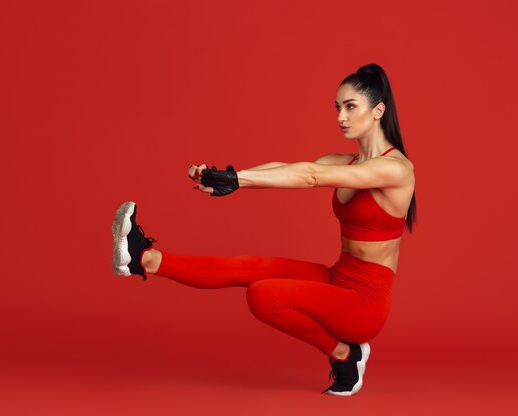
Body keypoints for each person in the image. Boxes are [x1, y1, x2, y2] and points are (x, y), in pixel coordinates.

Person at [111, 63, 417, 396]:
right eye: (337, 108)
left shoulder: (396, 169)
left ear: (378, 110)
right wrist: (227, 177)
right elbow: (288, 169)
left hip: (365, 305)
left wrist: (239, 179)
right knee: (251, 266)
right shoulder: (344, 161)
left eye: (350, 106)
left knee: (263, 295)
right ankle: (144, 258)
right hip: (338, 278)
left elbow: (310, 177)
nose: (341, 116)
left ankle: (346, 354)